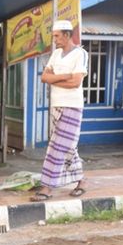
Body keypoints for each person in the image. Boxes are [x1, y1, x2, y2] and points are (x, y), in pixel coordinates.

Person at [30, 20, 89, 202]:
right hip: (56, 105)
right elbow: (44, 77)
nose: (54, 39)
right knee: (68, 147)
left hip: (72, 106)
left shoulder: (81, 54)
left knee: (56, 147)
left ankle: (47, 187)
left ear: (66, 35)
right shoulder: (56, 54)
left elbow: (76, 82)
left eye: (56, 36)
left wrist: (54, 79)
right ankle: (82, 181)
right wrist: (64, 76)